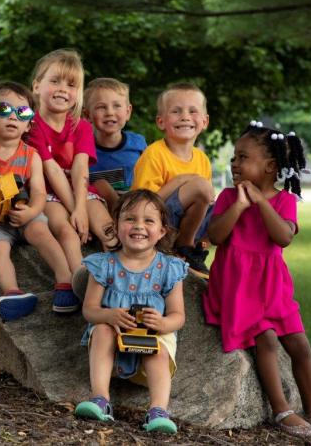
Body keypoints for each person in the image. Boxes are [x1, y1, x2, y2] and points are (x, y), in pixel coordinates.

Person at [202, 121, 311, 438]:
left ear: (269, 167)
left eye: (243, 157)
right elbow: (215, 237)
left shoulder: (284, 201)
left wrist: (261, 203)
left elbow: (283, 237)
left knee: (299, 343)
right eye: (234, 157)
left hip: (272, 287)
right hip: (236, 287)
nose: (234, 163)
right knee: (265, 337)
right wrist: (239, 205)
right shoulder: (228, 197)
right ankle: (282, 410)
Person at [74, 190, 187, 434]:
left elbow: (178, 316)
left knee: (158, 348)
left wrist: (162, 323)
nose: (139, 226)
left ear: (162, 231)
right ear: (115, 226)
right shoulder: (105, 264)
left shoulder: (169, 268)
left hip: (152, 335)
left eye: (149, 221)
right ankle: (101, 400)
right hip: (114, 337)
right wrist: (108, 315)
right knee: (102, 331)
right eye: (130, 219)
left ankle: (158, 410)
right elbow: (90, 310)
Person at [0, 81, 74, 320]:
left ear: (29, 124)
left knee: (41, 231)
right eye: (4, 109)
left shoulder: (31, 156)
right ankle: (12, 293)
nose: (13, 117)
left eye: (22, 112)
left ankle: (66, 281)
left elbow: (38, 192)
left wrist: (31, 212)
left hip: (25, 215)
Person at [26, 49, 117, 312]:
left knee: (107, 228)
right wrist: (73, 213)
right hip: (46, 193)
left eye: (71, 84)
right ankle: (79, 281)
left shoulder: (81, 126)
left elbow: (80, 170)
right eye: (55, 81)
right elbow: (51, 171)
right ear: (36, 86)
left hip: (79, 189)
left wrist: (80, 208)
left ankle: (126, 277)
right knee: (66, 230)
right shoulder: (31, 125)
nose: (62, 89)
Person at [131, 82, 215, 278]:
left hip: (189, 225)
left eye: (192, 111)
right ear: (161, 121)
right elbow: (142, 204)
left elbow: (206, 202)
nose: (185, 116)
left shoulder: (202, 159)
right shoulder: (154, 154)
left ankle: (197, 249)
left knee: (232, 203)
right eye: (176, 111)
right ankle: (183, 249)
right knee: (200, 187)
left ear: (204, 121)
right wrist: (182, 180)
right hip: (157, 222)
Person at [84, 77, 147, 211]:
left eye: (117, 106)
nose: (110, 112)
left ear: (128, 112)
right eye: (101, 107)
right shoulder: (82, 148)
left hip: (135, 206)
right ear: (87, 115)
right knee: (101, 185)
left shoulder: (138, 144)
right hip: (96, 209)